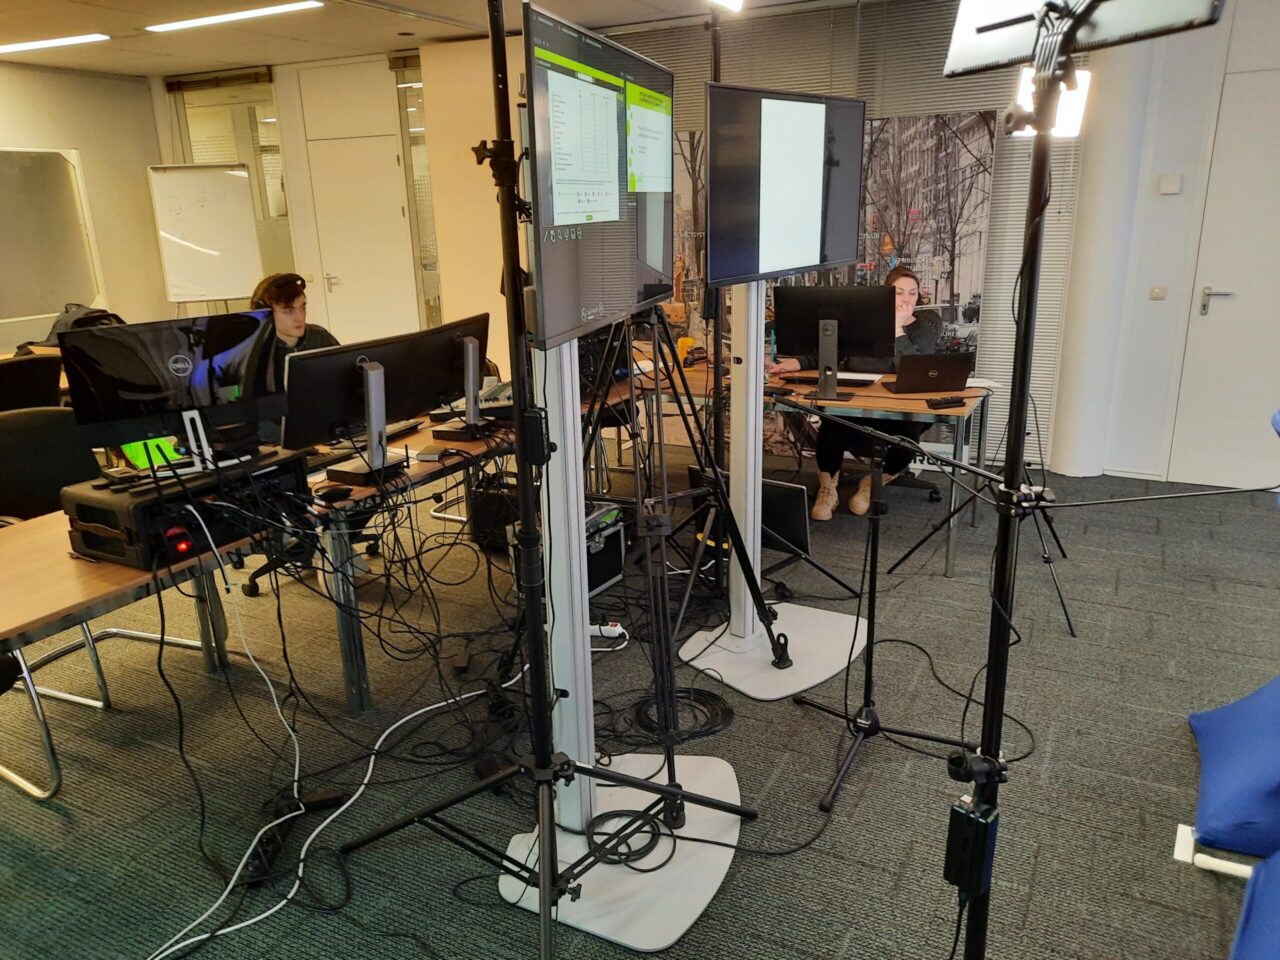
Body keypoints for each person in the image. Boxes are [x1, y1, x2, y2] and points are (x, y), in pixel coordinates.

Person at [763, 266, 941, 519]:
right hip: (857, 400)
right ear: (885, 295)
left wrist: (897, 330)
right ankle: (828, 489)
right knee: (832, 426)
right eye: (899, 293)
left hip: (900, 406)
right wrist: (787, 365)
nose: (906, 300)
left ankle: (871, 485)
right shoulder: (863, 322)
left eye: (912, 293)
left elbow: (915, 369)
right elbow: (827, 353)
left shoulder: (922, 329)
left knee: (908, 439)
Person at [250, 273, 339, 394]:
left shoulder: (320, 336)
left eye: (302, 308)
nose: (300, 317)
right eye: (288, 311)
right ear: (265, 314)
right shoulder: (256, 351)